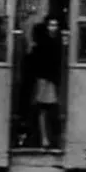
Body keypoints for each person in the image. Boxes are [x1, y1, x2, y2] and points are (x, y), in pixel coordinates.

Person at [29, 16, 63, 149]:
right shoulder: (47, 43)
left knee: (45, 108)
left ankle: (46, 138)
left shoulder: (54, 42)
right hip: (45, 79)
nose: (53, 28)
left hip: (50, 79)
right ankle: (45, 138)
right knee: (44, 108)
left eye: (55, 25)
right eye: (51, 25)